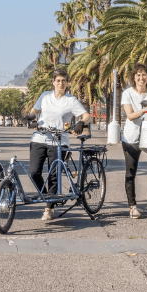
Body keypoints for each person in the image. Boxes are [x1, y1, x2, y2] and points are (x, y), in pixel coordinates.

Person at [27, 69, 91, 221]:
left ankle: (49, 208)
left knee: (53, 176)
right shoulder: (45, 96)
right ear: (53, 83)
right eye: (58, 81)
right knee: (34, 172)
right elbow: (34, 111)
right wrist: (32, 118)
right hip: (40, 137)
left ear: (67, 83)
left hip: (59, 141)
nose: (61, 83)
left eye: (63, 81)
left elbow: (86, 115)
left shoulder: (71, 100)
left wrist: (81, 123)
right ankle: (48, 196)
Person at [120, 63, 147, 219]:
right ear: (133, 77)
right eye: (138, 75)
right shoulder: (127, 93)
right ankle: (132, 207)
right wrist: (146, 109)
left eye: (144, 74)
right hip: (131, 137)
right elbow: (130, 115)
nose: (141, 78)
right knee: (130, 172)